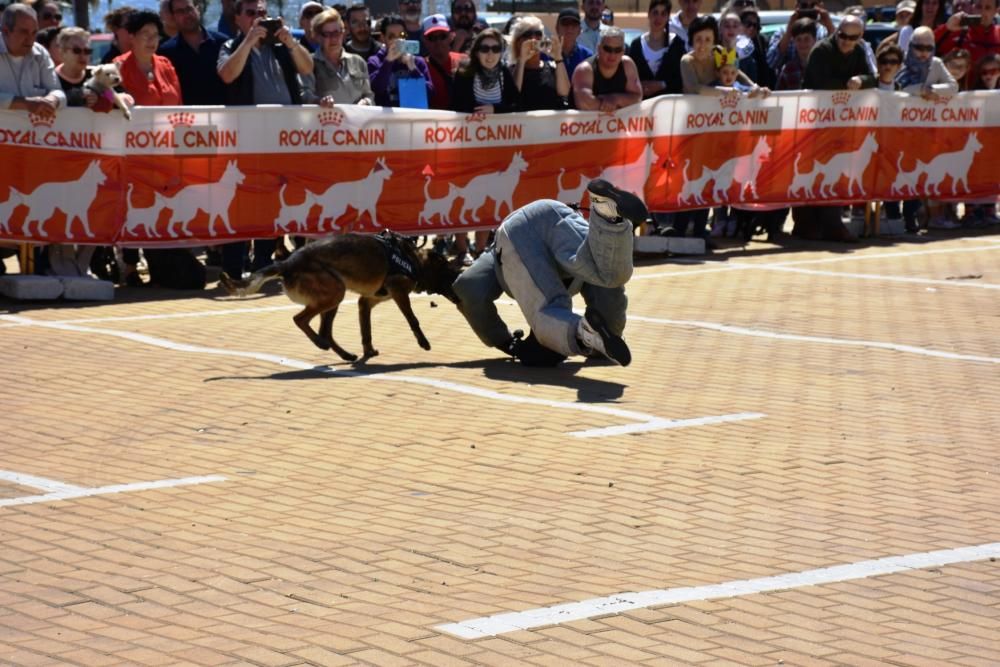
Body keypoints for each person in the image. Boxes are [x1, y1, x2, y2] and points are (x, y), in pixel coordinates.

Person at [452, 179, 648, 367]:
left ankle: (584, 333)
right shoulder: (501, 262)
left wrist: (505, 342)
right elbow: (610, 294)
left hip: (522, 229)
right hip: (555, 214)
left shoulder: (501, 261)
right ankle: (610, 221)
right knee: (604, 271)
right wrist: (612, 333)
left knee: (548, 311)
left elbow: (468, 289)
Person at [217, 0, 313, 280]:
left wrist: (291, 43)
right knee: (240, 203)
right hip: (245, 140)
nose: (259, 19)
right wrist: (248, 42)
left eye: (262, 13)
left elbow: (307, 69)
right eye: (251, 13)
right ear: (238, 19)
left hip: (281, 141)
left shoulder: (283, 47)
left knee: (271, 203)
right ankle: (233, 267)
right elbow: (227, 74)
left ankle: (262, 262)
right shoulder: (230, 46)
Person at [157, 0, 229, 106]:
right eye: (180, 11)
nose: (186, 15)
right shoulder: (166, 52)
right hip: (187, 119)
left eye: (189, 9)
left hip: (223, 116)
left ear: (198, 9)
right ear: (174, 17)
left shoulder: (222, 43)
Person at [1, 3, 66, 119]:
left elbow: (57, 91)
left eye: (34, 32)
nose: (30, 39)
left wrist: (52, 100)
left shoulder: (40, 53)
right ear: (6, 31)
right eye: (24, 32)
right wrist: (24, 103)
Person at [302, 8, 373, 106]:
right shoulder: (309, 63)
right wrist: (319, 101)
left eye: (337, 32)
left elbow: (369, 95)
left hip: (357, 120)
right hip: (325, 119)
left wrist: (365, 102)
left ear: (343, 33)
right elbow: (304, 95)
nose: (334, 38)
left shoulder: (358, 62)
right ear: (317, 37)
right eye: (327, 34)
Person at [114, 11, 183, 106]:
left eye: (155, 35)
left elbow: (179, 103)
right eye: (146, 34)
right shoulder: (119, 66)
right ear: (132, 36)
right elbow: (106, 94)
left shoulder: (165, 64)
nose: (152, 40)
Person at [367, 14, 433, 108]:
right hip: (386, 120)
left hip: (412, 118)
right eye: (391, 37)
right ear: (383, 38)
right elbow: (376, 90)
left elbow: (429, 94)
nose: (398, 40)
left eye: (402, 35)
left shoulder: (418, 62)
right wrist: (388, 62)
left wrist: (414, 69)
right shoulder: (375, 61)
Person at [571, 27, 642, 111]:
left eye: (617, 50)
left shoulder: (627, 65)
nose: (612, 54)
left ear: (623, 51)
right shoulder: (585, 70)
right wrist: (614, 106)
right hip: (584, 123)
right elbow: (584, 103)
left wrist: (615, 99)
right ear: (599, 48)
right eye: (608, 49)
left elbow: (637, 98)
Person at [509, 15, 570, 111]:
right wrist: (521, 60)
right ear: (518, 42)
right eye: (527, 34)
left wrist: (558, 58)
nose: (533, 38)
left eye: (538, 34)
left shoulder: (552, 67)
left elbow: (565, 92)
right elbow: (512, 96)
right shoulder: (511, 70)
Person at [935, 0, 1000, 87]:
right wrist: (946, 27)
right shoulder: (959, 32)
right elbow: (928, 47)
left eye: (988, 8)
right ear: (972, 7)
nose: (982, 12)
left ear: (996, 11)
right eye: (979, 7)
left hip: (994, 96)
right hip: (963, 95)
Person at [629, 0, 675, 99]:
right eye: (655, 12)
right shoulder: (636, 45)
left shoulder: (676, 44)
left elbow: (680, 79)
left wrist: (661, 85)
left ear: (668, 17)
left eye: (663, 14)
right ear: (649, 14)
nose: (658, 18)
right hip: (640, 110)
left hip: (669, 108)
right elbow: (629, 77)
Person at [897, 26, 958, 98]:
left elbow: (953, 87)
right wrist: (920, 90)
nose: (924, 52)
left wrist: (931, 89)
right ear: (911, 46)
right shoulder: (899, 61)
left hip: (923, 109)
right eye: (919, 47)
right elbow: (895, 90)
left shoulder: (936, 63)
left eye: (929, 48)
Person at [421, 13, 462, 110]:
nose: (438, 41)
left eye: (442, 36)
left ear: (451, 36)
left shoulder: (465, 61)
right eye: (432, 37)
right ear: (425, 41)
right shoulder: (420, 67)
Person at [775, 17, 816, 90]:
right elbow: (778, 95)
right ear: (794, 41)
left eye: (806, 39)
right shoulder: (788, 69)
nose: (802, 43)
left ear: (814, 40)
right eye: (799, 39)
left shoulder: (823, 67)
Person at [555, 8, 592, 79]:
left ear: (579, 30)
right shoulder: (546, 55)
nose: (569, 28)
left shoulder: (587, 56)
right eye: (565, 23)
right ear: (557, 28)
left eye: (574, 24)